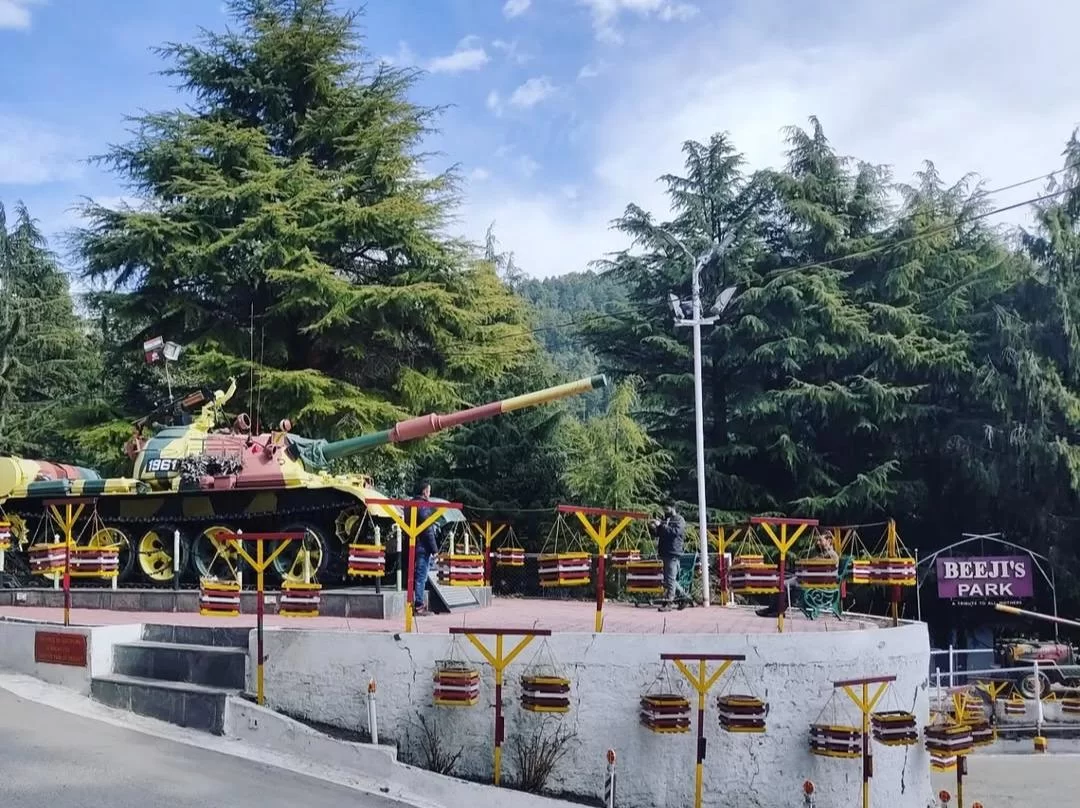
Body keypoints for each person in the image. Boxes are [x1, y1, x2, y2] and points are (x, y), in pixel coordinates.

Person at [756, 531, 838, 618]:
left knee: (782, 584)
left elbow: (829, 564)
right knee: (779, 582)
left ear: (829, 541)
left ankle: (777, 610)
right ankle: (773, 609)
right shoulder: (821, 554)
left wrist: (812, 561)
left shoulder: (832, 555)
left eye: (820, 540)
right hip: (805, 579)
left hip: (813, 582)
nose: (818, 543)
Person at [650, 501, 688, 610]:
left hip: (673, 552)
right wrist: (653, 527)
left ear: (673, 508)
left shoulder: (679, 520)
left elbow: (675, 532)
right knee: (669, 579)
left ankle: (669, 603)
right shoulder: (665, 519)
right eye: (664, 509)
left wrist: (661, 525)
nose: (665, 511)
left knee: (670, 579)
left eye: (667, 509)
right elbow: (660, 533)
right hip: (665, 552)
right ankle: (684, 597)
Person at [412, 481, 441, 616]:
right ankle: (419, 605)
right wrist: (435, 550)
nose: (430, 494)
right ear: (424, 491)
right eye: (429, 491)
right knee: (421, 576)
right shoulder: (423, 506)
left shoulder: (410, 504)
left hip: (413, 543)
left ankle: (418, 604)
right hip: (423, 547)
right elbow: (427, 529)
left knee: (418, 576)